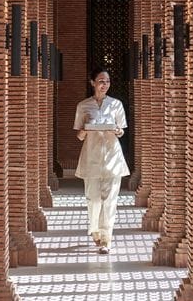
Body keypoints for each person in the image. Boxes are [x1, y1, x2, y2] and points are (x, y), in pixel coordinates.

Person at [73, 67, 130, 254]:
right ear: (92, 83)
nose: (104, 85)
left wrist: (116, 130)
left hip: (113, 157)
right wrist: (86, 129)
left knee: (110, 200)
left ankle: (106, 239)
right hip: (91, 157)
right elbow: (80, 136)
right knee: (94, 199)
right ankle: (95, 230)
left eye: (107, 81)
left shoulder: (116, 105)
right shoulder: (83, 106)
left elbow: (121, 130)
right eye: (101, 81)